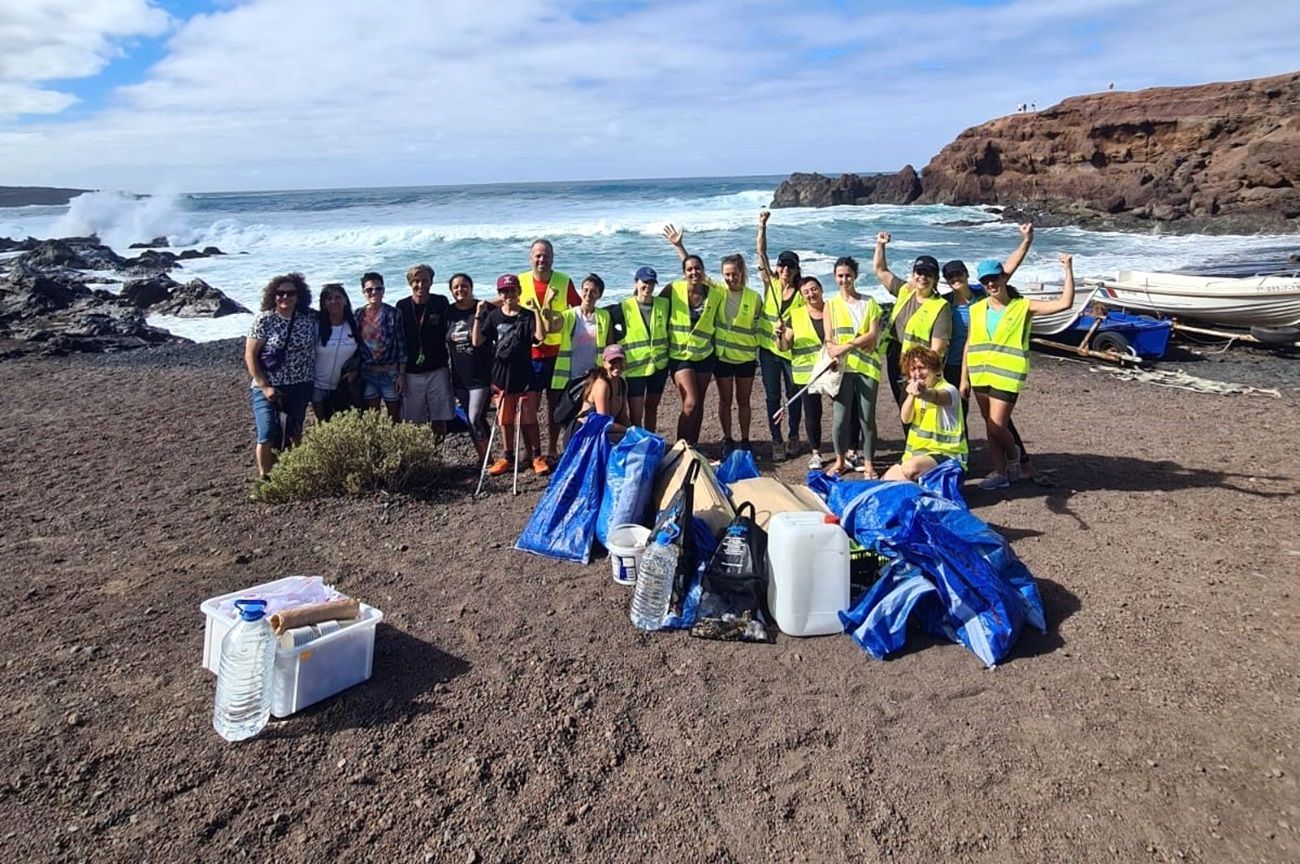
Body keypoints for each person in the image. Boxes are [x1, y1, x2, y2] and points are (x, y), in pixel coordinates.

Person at [963, 253, 1077, 490]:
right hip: (980, 373)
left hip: (1008, 373)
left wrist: (1068, 269)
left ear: (1003, 278)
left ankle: (1014, 453)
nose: (991, 284)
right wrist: (964, 377)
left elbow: (1064, 303)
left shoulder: (1023, 306)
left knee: (997, 425)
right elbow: (970, 342)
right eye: (985, 281)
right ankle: (1000, 472)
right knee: (988, 424)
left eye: (994, 279)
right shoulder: (976, 309)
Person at [942, 223, 1035, 476]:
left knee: (1000, 420)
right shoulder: (944, 303)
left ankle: (1021, 460)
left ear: (966, 275)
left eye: (959, 275)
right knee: (960, 415)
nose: (956, 280)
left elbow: (1007, 270)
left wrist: (1026, 242)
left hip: (989, 365)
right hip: (955, 364)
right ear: (947, 281)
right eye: (951, 278)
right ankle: (964, 461)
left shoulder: (983, 294)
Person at [243, 273, 318, 481]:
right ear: (273, 295)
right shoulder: (264, 319)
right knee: (267, 432)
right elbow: (250, 355)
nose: (285, 297)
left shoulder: (309, 318)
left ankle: (292, 473)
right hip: (268, 387)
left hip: (300, 385)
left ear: (299, 296)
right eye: (280, 293)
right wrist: (264, 385)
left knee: (294, 433)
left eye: (291, 293)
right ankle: (265, 477)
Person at [473, 274, 548, 477]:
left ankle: (537, 456)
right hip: (501, 375)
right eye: (504, 291)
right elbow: (477, 341)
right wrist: (479, 315)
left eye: (512, 290)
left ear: (519, 292)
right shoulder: (494, 316)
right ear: (499, 294)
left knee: (529, 418)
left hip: (524, 374)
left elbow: (540, 338)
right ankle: (507, 456)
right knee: (505, 419)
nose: (508, 294)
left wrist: (536, 312)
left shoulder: (526, 315)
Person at [518, 238, 580, 471]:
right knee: (528, 406)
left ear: (553, 258)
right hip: (530, 355)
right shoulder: (521, 280)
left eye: (546, 255)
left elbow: (578, 310)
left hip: (558, 354)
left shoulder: (564, 281)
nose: (542, 259)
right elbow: (507, 304)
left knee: (556, 405)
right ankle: (532, 452)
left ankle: (553, 449)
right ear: (530, 257)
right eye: (538, 255)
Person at [871, 233, 953, 408]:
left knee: (917, 402)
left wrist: (923, 371)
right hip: (895, 354)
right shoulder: (904, 290)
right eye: (919, 272)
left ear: (936, 279)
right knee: (902, 402)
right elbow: (880, 270)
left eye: (928, 274)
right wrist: (880, 244)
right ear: (913, 274)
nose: (923, 277)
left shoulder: (940, 306)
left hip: (919, 361)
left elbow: (939, 347)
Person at [822, 259, 885, 479]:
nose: (844, 280)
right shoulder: (830, 305)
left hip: (868, 368)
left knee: (867, 418)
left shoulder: (870, 302)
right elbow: (829, 339)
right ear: (835, 277)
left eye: (848, 275)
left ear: (855, 276)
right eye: (840, 276)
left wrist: (846, 345)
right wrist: (834, 350)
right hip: (843, 369)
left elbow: (872, 335)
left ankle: (869, 464)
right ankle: (840, 461)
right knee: (840, 419)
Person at [755, 209, 805, 460]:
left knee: (794, 394)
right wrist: (762, 226)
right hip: (768, 351)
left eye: (790, 266)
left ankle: (794, 435)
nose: (785, 269)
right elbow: (760, 254)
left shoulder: (801, 294)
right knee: (772, 396)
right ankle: (776, 439)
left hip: (790, 352)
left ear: (797, 270)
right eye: (782, 265)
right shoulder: (771, 284)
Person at [883, 346, 966, 482]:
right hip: (916, 455)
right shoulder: (914, 393)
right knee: (886, 482)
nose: (917, 373)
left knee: (910, 469)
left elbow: (935, 396)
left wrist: (922, 392)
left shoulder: (949, 390)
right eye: (913, 369)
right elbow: (905, 418)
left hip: (947, 457)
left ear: (935, 370)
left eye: (922, 368)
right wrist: (911, 395)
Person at [777, 275, 831, 470]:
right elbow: (784, 346)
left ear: (821, 289)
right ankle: (816, 452)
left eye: (814, 289)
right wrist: (780, 335)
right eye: (806, 292)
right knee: (812, 413)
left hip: (831, 369)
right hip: (807, 374)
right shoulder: (796, 315)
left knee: (845, 411)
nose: (811, 294)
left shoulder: (834, 310)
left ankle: (850, 451)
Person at [396, 263, 453, 436]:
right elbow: (400, 343)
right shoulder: (402, 306)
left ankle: (437, 455)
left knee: (439, 417)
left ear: (431, 281)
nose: (421, 285)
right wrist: (401, 374)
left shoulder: (440, 302)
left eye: (425, 280)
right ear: (410, 283)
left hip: (438, 369)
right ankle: (420, 457)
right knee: (413, 421)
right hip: (412, 373)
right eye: (416, 281)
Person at [445, 273, 493, 460]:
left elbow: (505, 306)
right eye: (456, 287)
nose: (460, 290)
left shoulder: (483, 309)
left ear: (471, 287)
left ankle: (489, 458)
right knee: (474, 419)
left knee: (474, 418)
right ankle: (485, 458)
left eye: (464, 286)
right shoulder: (448, 313)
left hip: (480, 375)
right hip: (459, 377)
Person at [617, 266, 670, 432]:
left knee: (652, 408)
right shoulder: (623, 307)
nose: (648, 286)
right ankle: (638, 444)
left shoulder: (664, 304)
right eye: (645, 282)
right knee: (636, 414)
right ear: (636, 283)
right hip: (635, 369)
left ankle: (651, 441)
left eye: (652, 283)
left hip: (659, 366)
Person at [544, 273, 611, 392]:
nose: (588, 294)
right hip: (570, 375)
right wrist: (548, 303)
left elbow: (609, 345)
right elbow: (550, 328)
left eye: (593, 291)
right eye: (586, 290)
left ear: (599, 295)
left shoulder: (604, 317)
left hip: (594, 375)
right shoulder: (569, 315)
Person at [355, 271, 406, 420]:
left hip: (390, 373)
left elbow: (401, 346)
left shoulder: (394, 313)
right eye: (369, 289)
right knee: (372, 417)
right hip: (368, 373)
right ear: (363, 292)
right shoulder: (358, 314)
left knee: (395, 416)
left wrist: (401, 375)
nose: (374, 292)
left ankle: (396, 444)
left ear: (384, 290)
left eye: (378, 288)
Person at [312, 282, 361, 423]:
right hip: (318, 386)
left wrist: (355, 370)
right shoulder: (316, 326)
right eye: (329, 298)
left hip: (344, 387)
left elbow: (363, 351)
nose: (334, 301)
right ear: (324, 303)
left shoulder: (354, 324)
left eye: (338, 297)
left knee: (346, 424)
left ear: (345, 300)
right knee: (322, 424)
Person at [577, 343, 632, 436]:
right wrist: (629, 431)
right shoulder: (602, 385)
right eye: (613, 362)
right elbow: (603, 423)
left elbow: (623, 417)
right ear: (604, 364)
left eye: (620, 361)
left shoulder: (622, 383)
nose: (617, 365)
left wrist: (637, 432)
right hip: (585, 434)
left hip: (604, 431)